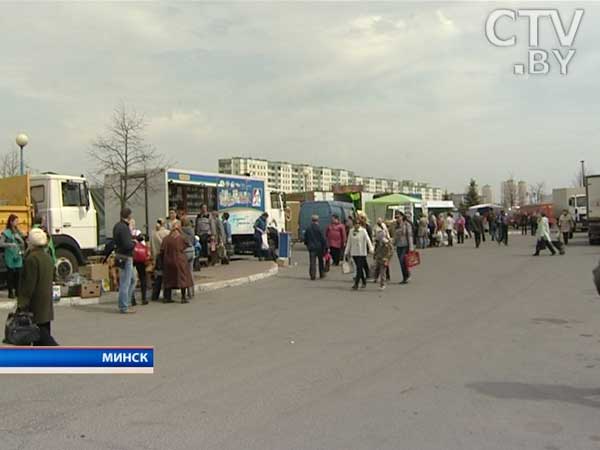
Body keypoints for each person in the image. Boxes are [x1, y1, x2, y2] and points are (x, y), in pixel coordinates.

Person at [17, 228, 58, 346]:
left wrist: (22, 305)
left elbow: (28, 286)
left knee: (42, 336)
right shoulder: (48, 257)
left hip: (35, 305)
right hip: (46, 302)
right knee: (41, 338)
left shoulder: (31, 259)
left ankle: (65, 356)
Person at [161, 223, 194, 303]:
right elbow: (188, 244)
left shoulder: (166, 239)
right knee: (182, 278)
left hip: (168, 260)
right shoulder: (182, 238)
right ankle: (183, 297)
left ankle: (167, 297)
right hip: (180, 260)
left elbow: (162, 250)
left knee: (169, 278)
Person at [113, 208, 137, 314]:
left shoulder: (117, 226)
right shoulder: (124, 228)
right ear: (129, 216)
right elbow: (127, 245)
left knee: (132, 279)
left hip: (119, 255)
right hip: (126, 256)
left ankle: (126, 302)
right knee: (125, 282)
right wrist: (134, 243)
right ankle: (124, 306)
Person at [344, 219, 374, 290]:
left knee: (359, 268)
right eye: (355, 224)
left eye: (358, 224)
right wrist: (346, 252)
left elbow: (368, 240)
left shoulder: (363, 231)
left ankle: (356, 284)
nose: (356, 225)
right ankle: (363, 281)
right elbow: (349, 242)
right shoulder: (351, 231)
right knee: (359, 268)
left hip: (362, 252)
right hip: (354, 252)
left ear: (360, 224)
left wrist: (371, 248)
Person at [0, 214, 25, 298]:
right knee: (10, 275)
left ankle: (18, 291)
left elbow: (22, 242)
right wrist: (10, 244)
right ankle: (10, 292)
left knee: (18, 275)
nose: (17, 223)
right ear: (11, 222)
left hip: (18, 255)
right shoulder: (6, 232)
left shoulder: (18, 232)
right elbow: (1, 243)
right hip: (10, 255)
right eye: (15, 221)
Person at [392, 212, 414, 284]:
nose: (397, 219)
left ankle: (406, 275)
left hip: (405, 245)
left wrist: (411, 247)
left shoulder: (407, 224)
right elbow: (395, 236)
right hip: (399, 246)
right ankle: (405, 276)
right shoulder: (396, 226)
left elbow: (409, 235)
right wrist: (393, 244)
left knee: (403, 261)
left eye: (398, 217)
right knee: (401, 262)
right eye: (396, 217)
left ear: (402, 217)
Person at [303, 215, 327, 280]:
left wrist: (307, 244)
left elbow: (305, 238)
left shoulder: (308, 228)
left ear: (311, 220)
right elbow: (323, 238)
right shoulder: (319, 228)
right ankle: (321, 274)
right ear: (317, 220)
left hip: (311, 247)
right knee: (320, 261)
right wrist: (326, 246)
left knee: (312, 262)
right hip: (319, 247)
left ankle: (312, 275)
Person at [373, 218, 393, 290]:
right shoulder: (378, 242)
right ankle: (375, 277)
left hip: (384, 257)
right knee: (377, 267)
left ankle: (382, 284)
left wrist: (387, 259)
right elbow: (376, 248)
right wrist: (375, 254)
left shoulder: (386, 243)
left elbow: (391, 251)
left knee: (383, 270)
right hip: (379, 256)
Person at [132, 234, 150, 305]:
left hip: (134, 260)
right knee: (143, 278)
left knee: (132, 279)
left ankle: (132, 298)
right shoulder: (145, 242)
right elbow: (148, 252)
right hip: (142, 261)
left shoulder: (133, 242)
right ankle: (144, 298)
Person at [181, 217, 196, 299]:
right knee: (190, 271)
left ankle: (188, 292)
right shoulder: (191, 230)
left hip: (185, 251)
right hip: (191, 250)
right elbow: (194, 241)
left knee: (185, 272)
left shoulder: (181, 231)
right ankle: (192, 291)